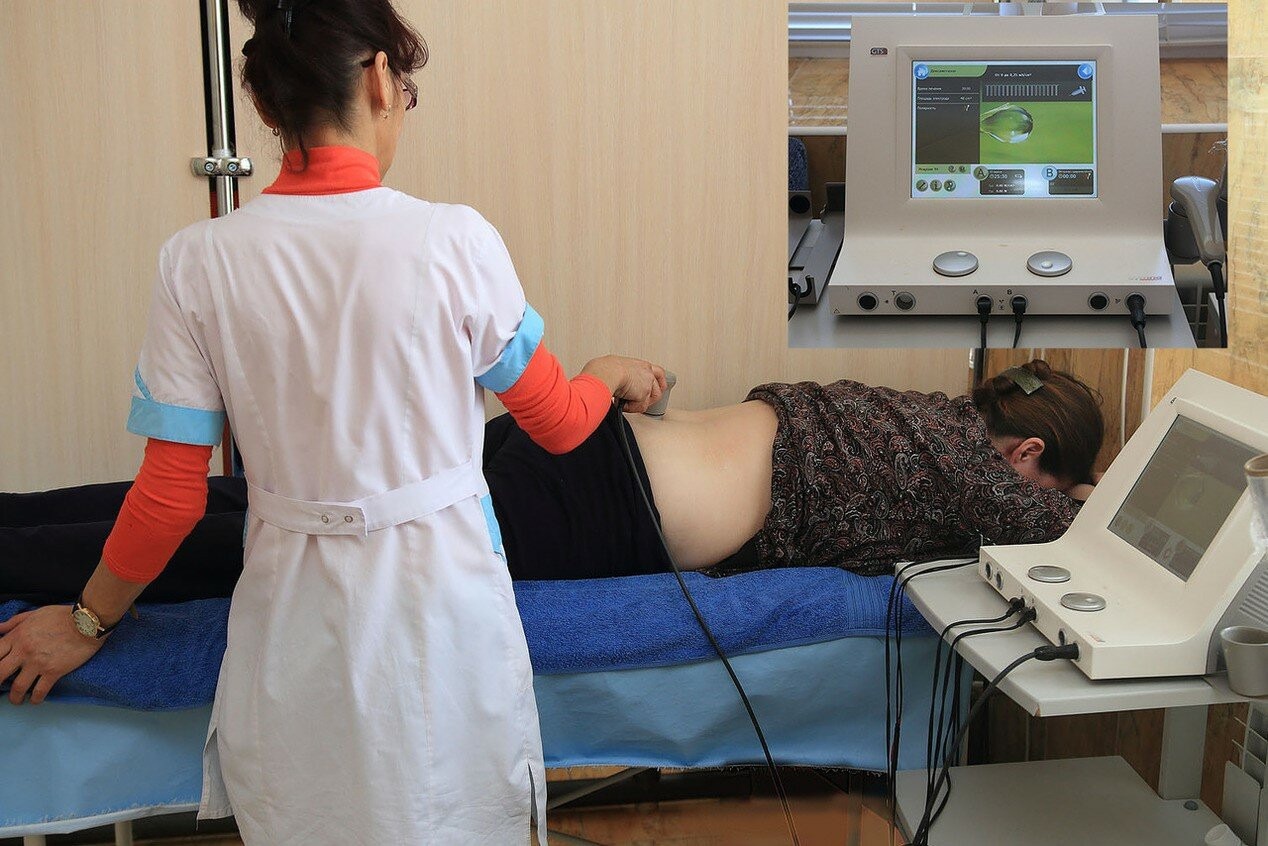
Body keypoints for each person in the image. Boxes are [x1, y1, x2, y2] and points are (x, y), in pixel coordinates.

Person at [0, 1, 665, 843]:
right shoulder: (454, 242)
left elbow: (169, 499)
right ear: (381, 78)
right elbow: (562, 426)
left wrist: (85, 622)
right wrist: (608, 372)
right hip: (441, 612)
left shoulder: (197, 262)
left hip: (291, 617)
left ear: (264, 104)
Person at [2, 360, 1101, 603]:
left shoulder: (899, 411)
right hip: (594, 503)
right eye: (1049, 477)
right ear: (1025, 455)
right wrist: (1088, 498)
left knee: (270, 514)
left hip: (582, 450)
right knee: (264, 546)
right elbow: (1074, 529)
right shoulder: (978, 472)